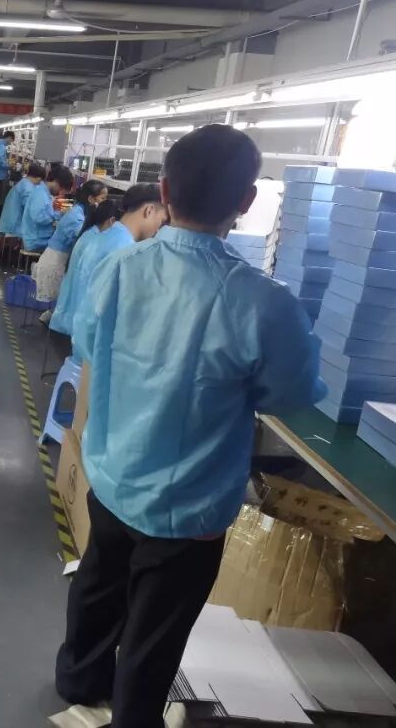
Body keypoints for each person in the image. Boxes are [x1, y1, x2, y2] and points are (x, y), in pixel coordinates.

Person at [56, 125, 327, 728]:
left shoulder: (118, 268)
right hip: (188, 507)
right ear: (247, 201)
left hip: (113, 475)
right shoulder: (265, 303)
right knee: (156, 630)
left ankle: (77, 680)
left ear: (163, 190)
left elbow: (89, 347)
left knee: (97, 588)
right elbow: (288, 396)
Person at [49, 183, 166, 341]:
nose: (158, 229)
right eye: (161, 221)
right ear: (149, 210)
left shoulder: (104, 236)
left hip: (72, 328)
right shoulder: (126, 250)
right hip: (86, 340)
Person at [35, 179, 109, 303]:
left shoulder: (82, 212)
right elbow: (84, 238)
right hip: (55, 264)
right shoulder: (76, 217)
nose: (105, 202)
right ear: (91, 199)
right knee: (57, 304)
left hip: (61, 261)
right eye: (103, 198)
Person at [20, 163, 72, 252]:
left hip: (39, 237)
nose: (59, 192)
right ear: (56, 182)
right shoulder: (40, 194)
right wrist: (59, 214)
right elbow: (39, 218)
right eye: (60, 189)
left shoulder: (44, 192)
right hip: (36, 241)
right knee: (66, 247)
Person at [0, 163, 43, 239]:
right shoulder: (28, 188)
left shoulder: (24, 182)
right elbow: (31, 209)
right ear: (39, 178)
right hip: (15, 227)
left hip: (10, 222)